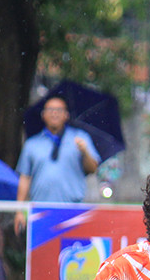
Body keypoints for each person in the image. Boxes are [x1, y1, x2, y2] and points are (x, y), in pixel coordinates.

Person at [14, 95, 101, 235]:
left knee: (71, 253)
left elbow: (93, 169)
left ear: (66, 115)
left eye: (59, 110)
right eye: (50, 109)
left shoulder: (80, 137)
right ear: (43, 115)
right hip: (41, 211)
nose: (54, 113)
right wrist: (19, 210)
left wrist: (85, 152)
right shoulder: (32, 144)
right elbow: (25, 178)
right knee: (42, 254)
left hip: (73, 211)